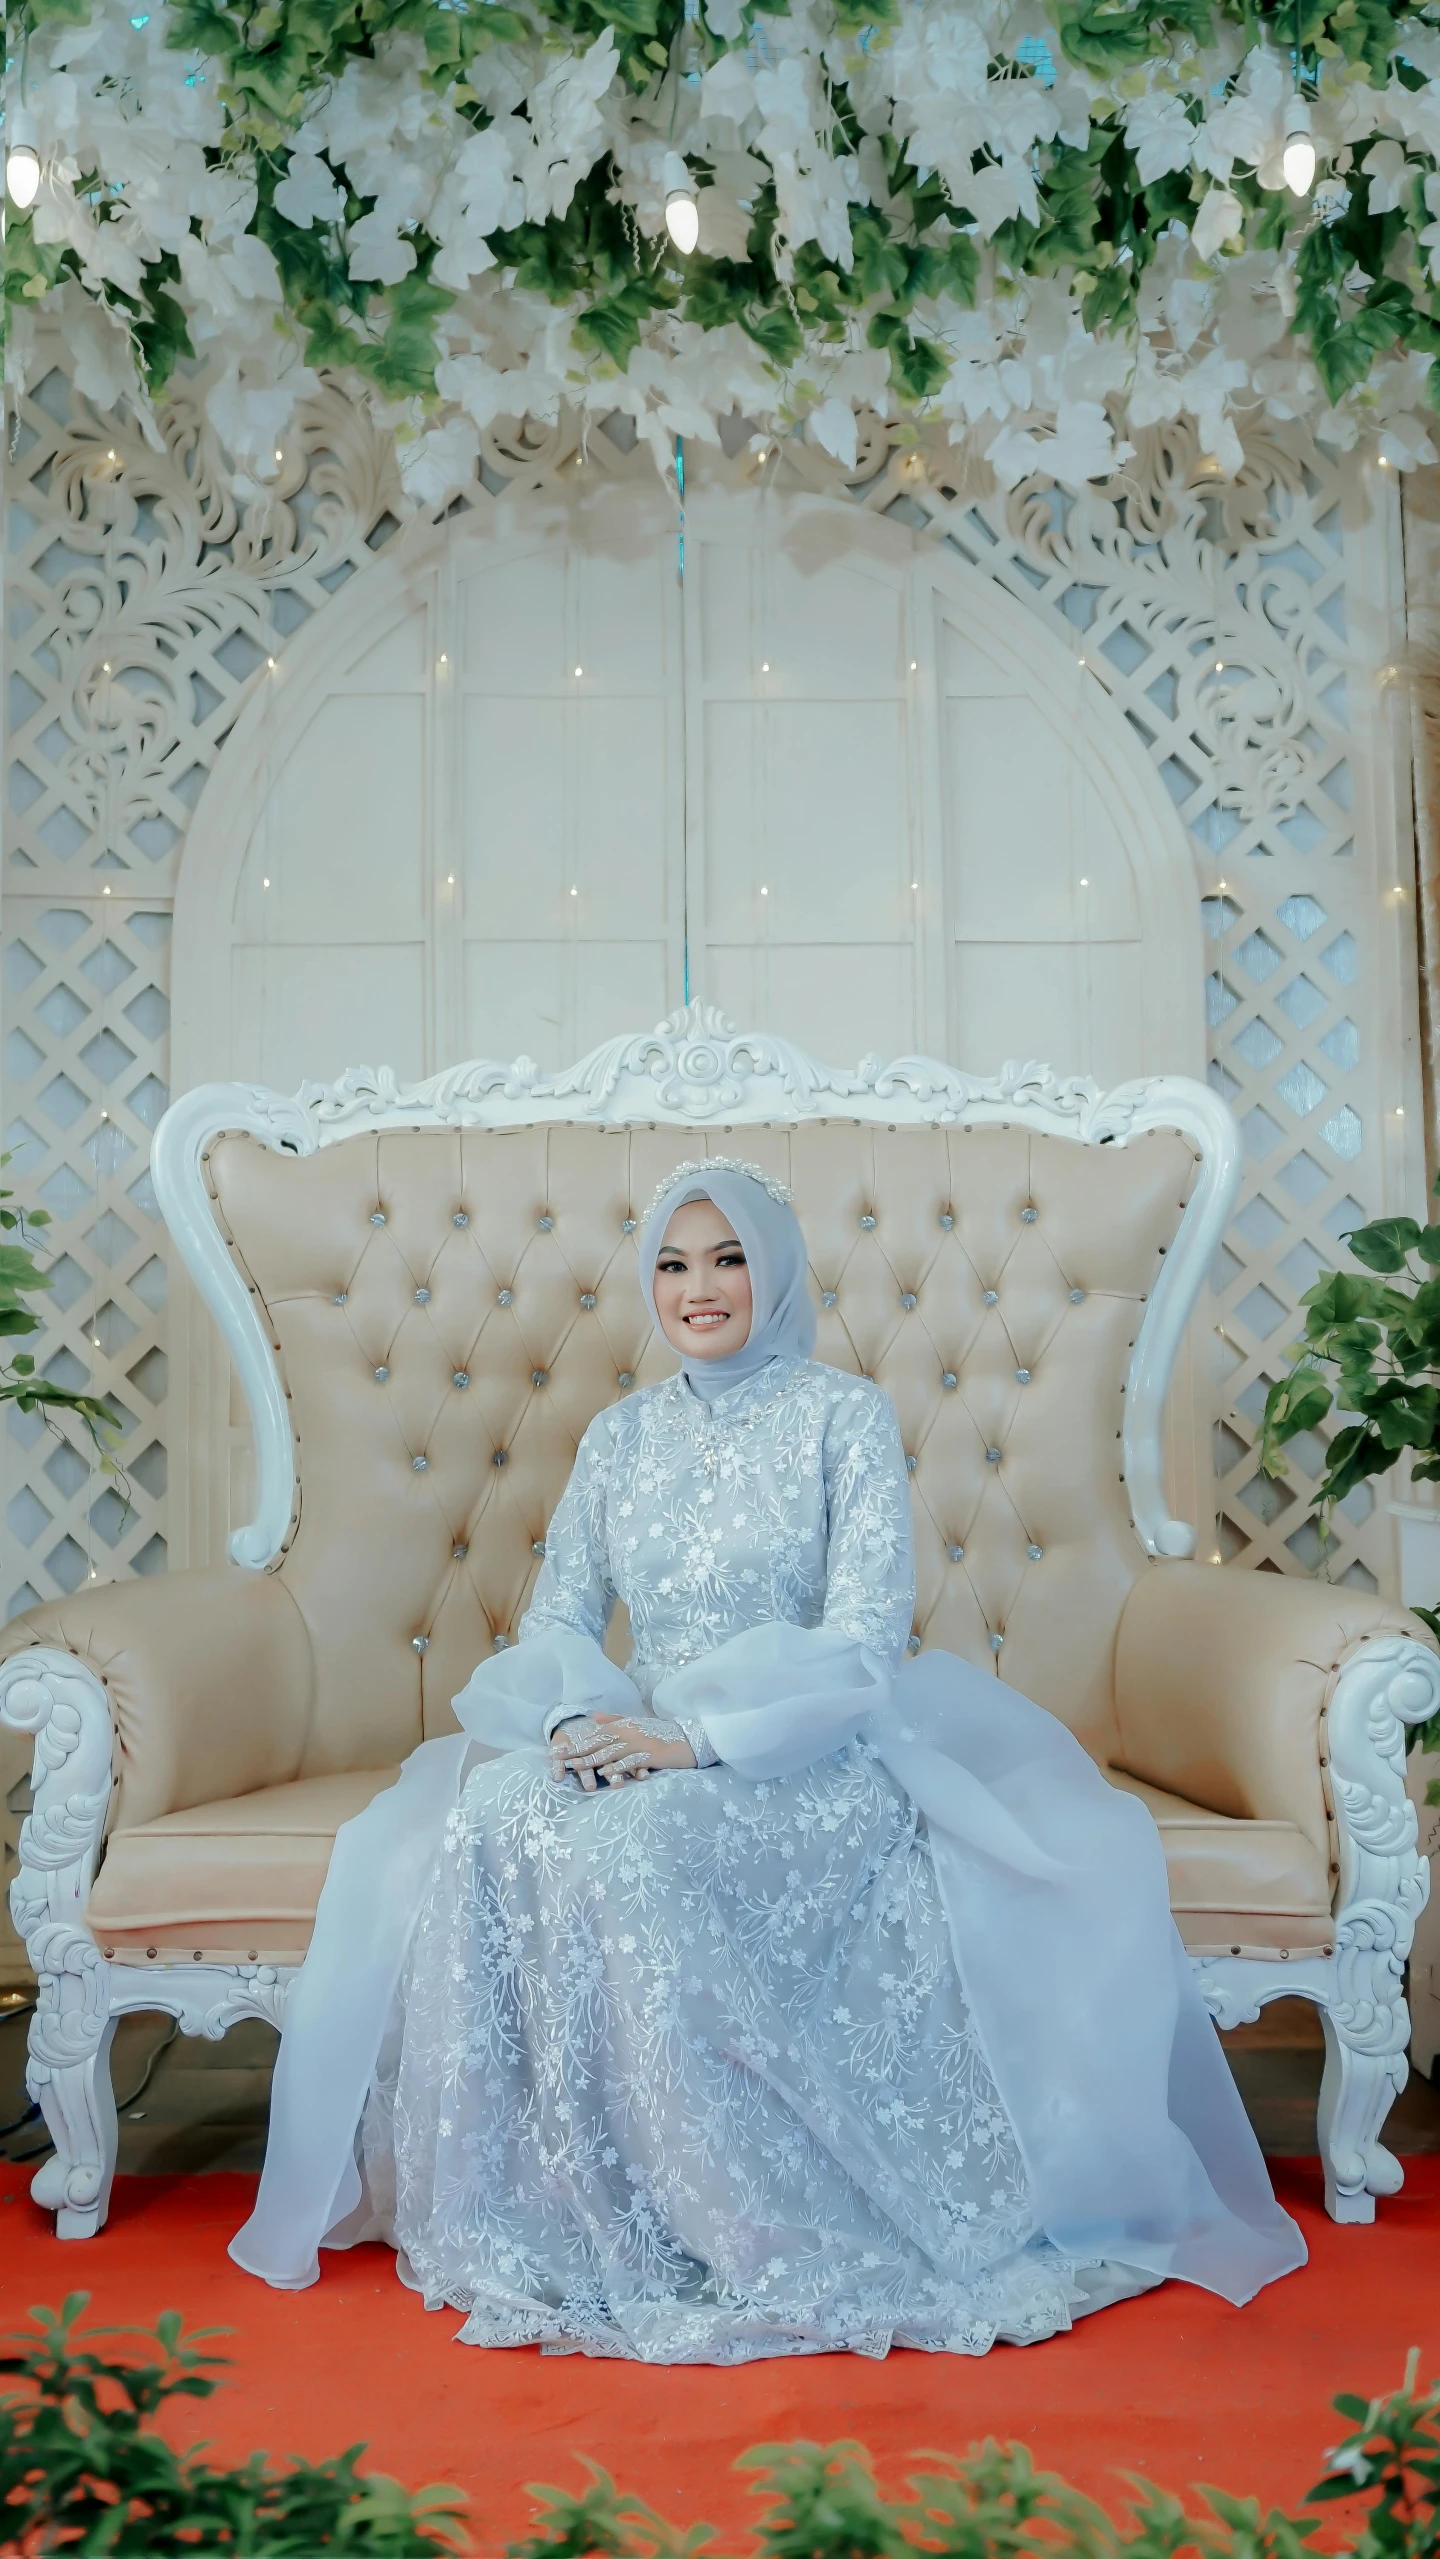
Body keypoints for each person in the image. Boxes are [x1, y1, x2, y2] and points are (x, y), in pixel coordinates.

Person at [230, 1158, 1305, 2358]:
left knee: (640, 1846)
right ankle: (580, 2213)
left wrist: (694, 1743)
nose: (701, 1289)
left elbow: (861, 1643)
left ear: (776, 1270)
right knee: (500, 1816)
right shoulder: (619, 1436)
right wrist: (574, 1726)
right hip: (640, 1732)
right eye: (675, 1265)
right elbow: (558, 1621)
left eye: (729, 1258)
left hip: (807, 1749)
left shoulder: (841, 1417)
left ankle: (740, 2224)